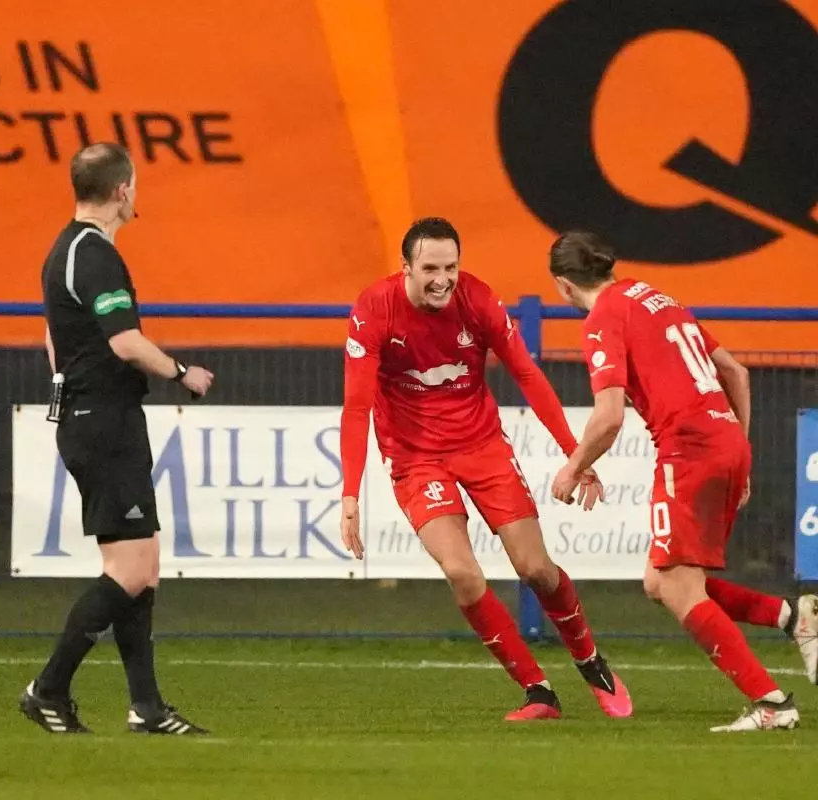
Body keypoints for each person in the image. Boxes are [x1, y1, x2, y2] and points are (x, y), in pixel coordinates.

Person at [340, 217, 632, 721]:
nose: (442, 279)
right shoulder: (373, 310)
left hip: (483, 447)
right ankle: (538, 691)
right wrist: (350, 495)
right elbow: (356, 407)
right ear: (405, 267)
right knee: (462, 573)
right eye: (430, 268)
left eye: (450, 267)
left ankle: (590, 661)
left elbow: (526, 373)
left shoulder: (477, 300)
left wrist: (574, 454)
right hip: (416, 459)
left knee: (536, 570)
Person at [547, 230, 818, 732]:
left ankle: (772, 703)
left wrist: (572, 466)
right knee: (661, 581)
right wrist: (741, 449)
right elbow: (736, 372)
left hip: (688, 449)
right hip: (728, 441)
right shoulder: (657, 297)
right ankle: (792, 617)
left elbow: (608, 417)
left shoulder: (604, 317)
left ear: (564, 286)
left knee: (676, 584)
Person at [20, 142, 214, 735]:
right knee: (130, 571)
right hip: (103, 422)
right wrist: (184, 374)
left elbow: (55, 341)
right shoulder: (94, 254)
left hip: (99, 418)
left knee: (143, 568)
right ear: (124, 190)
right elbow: (124, 342)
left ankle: (147, 707)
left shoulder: (66, 251)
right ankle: (47, 689)